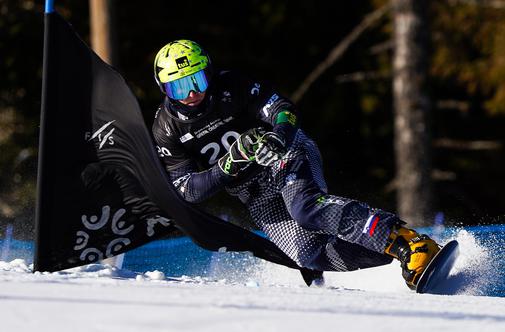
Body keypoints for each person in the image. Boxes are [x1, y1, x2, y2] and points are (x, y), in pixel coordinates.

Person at [151, 39, 440, 289]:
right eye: (179, 87)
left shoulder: (233, 85)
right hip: (252, 191)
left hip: (284, 155)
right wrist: (228, 165)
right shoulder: (165, 129)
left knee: (306, 209)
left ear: (209, 73)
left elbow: (282, 109)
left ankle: (408, 242)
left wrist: (278, 138)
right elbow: (188, 190)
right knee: (306, 254)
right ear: (164, 89)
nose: (191, 94)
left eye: (197, 80)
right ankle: (396, 256)